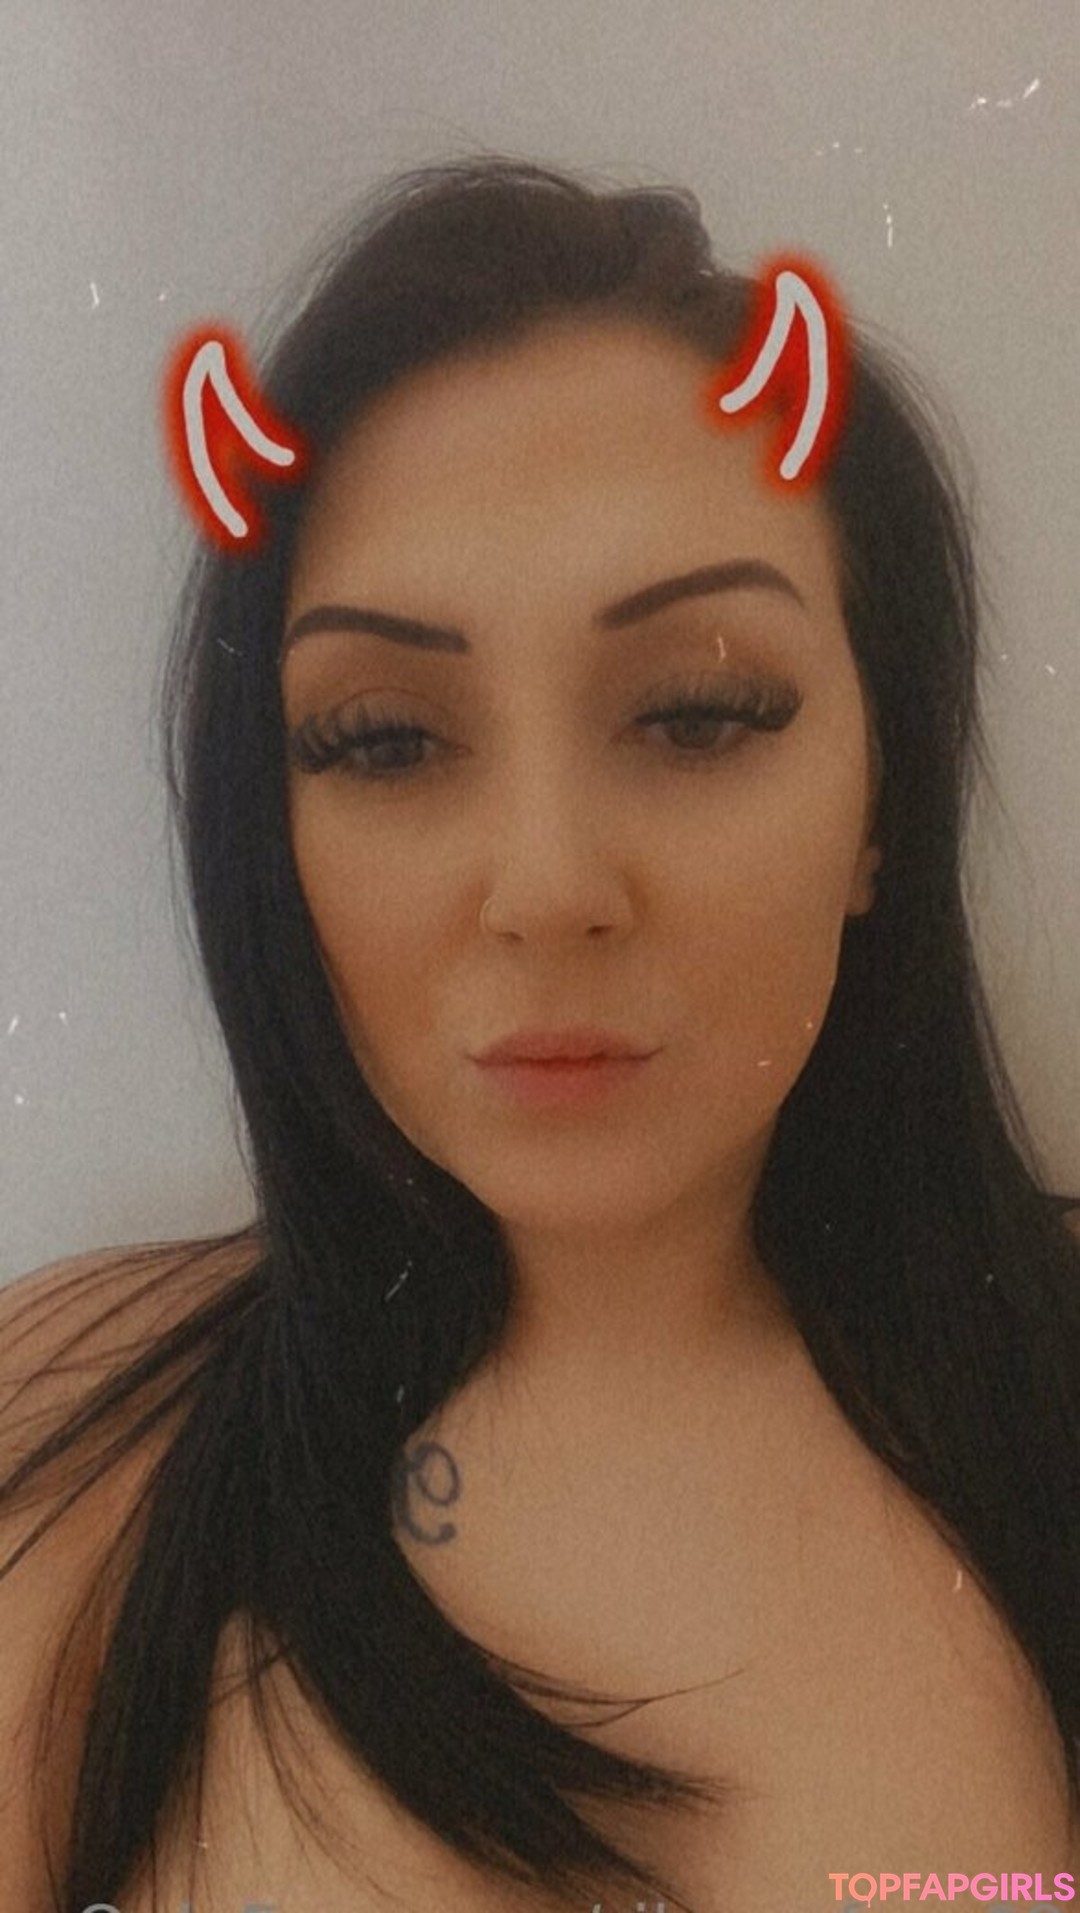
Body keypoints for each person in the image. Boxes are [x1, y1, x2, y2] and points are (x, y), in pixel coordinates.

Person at [1, 154, 1078, 1913]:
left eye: (699, 713)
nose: (549, 885)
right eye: (385, 740)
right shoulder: (77, 1435)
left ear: (883, 803)